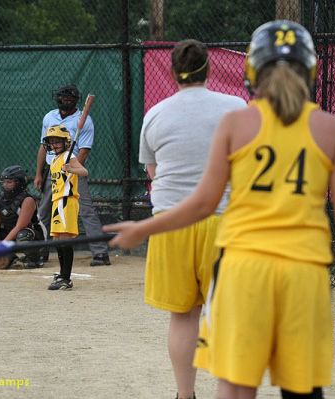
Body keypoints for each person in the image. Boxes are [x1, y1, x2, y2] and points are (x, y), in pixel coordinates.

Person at [105, 20, 335, 399]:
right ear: (310, 69)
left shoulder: (238, 122)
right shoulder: (330, 128)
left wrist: (142, 228)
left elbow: (201, 203)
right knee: (302, 388)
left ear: (252, 71)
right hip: (303, 271)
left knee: (235, 382)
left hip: (243, 268)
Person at [138, 39, 247, 399]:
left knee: (183, 316)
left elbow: (154, 173)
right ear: (209, 69)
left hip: (171, 221)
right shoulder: (236, 107)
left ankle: (185, 396)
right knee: (225, 318)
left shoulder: (155, 113)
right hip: (224, 221)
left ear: (172, 73)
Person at [34, 84, 111, 267]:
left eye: (69, 98)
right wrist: (38, 173)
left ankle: (100, 253)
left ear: (76, 100)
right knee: (44, 211)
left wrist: (71, 170)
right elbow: (42, 148)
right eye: (63, 97)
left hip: (72, 170)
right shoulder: (49, 117)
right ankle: (41, 253)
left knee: (86, 211)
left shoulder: (84, 120)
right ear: (57, 98)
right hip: (51, 169)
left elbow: (84, 150)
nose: (65, 100)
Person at [0, 165, 46, 270]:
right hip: (9, 232)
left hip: (33, 235)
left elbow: (20, 226)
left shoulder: (27, 200)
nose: (5, 185)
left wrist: (2, 246)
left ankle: (36, 258)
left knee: (23, 235)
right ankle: (10, 257)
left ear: (19, 183)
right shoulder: (3, 198)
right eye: (4, 182)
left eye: (9, 182)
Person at [41, 125, 88, 290]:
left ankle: (66, 279)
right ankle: (62, 274)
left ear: (66, 142)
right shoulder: (54, 160)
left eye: (57, 142)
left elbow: (84, 172)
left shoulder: (69, 155)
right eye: (51, 142)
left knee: (65, 240)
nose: (53, 145)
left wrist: (71, 169)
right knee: (57, 240)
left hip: (67, 201)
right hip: (57, 201)